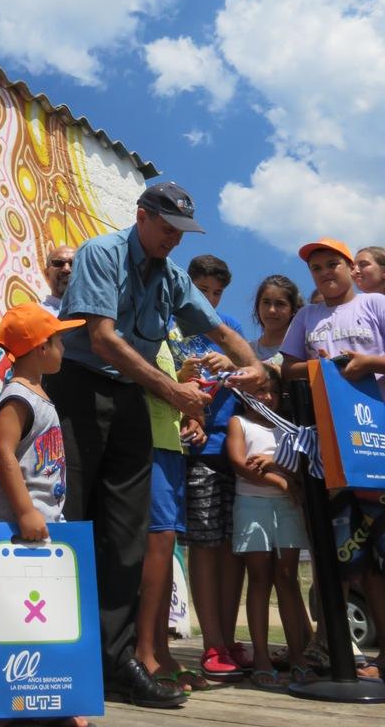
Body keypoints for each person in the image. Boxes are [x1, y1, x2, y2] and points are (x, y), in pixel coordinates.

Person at [46, 181, 265, 709]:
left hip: (130, 399)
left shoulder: (170, 277)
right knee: (71, 521)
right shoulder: (101, 252)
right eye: (166, 228)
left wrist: (253, 363)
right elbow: (100, 337)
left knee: (127, 534)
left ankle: (117, 662)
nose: (173, 240)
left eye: (181, 232)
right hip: (78, 388)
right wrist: (173, 391)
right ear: (141, 216)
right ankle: (58, 662)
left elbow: (219, 331)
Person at [0, 301, 92, 727]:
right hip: (16, 526)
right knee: (11, 617)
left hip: (48, 524)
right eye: (58, 341)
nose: (63, 348)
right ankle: (4, 704)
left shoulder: (41, 394)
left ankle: (63, 701)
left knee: (52, 616)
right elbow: (3, 451)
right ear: (40, 348)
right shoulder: (17, 395)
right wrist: (25, 511)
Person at [282, 237, 385, 676]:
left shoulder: (375, 304)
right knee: (339, 555)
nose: (325, 273)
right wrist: (317, 368)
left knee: (381, 558)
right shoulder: (306, 316)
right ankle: (333, 649)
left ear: (350, 268)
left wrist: (367, 362)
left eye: (332, 265)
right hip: (329, 452)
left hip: (377, 444)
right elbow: (286, 368)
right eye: (316, 268)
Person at [168, 255, 250, 681]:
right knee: (203, 544)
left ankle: (230, 638)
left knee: (230, 548)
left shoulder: (228, 327)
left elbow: (253, 377)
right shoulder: (170, 324)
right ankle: (212, 643)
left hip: (232, 448)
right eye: (203, 292)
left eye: (217, 293)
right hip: (195, 451)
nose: (211, 300)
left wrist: (233, 367)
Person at [226, 366, 313, 689]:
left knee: (288, 578)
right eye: (259, 391)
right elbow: (239, 463)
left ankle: (298, 655)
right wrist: (281, 480)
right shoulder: (240, 423)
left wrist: (279, 470)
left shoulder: (289, 430)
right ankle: (260, 656)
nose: (266, 398)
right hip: (252, 505)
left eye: (273, 392)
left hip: (287, 509)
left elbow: (300, 474)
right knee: (259, 577)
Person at [134, 342, 208, 694]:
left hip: (172, 446)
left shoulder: (167, 335)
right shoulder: (135, 323)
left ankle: (161, 649)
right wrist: (178, 384)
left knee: (167, 547)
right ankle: (143, 650)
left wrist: (194, 416)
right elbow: (135, 378)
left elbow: (172, 390)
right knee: (158, 544)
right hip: (145, 444)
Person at [249, 275, 304, 364]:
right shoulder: (246, 352)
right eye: (266, 302)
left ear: (293, 309)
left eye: (280, 304)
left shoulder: (302, 351)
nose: (271, 310)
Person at [41, 245, 76, 313]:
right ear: (47, 274)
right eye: (58, 263)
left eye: (73, 263)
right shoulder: (33, 317)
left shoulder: (95, 316)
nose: (66, 269)